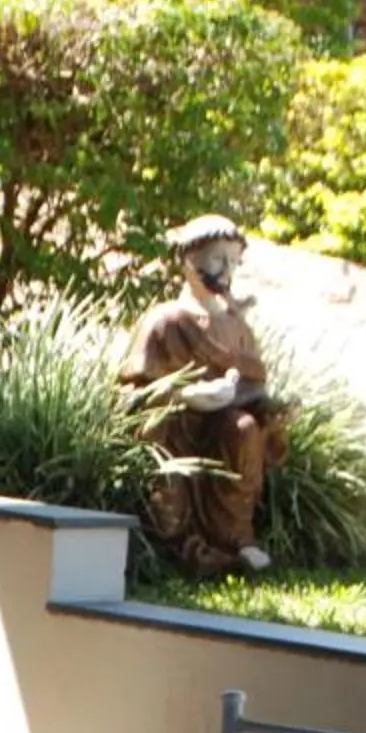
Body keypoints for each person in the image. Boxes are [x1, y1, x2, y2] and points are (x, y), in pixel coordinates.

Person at [121, 213, 286, 576]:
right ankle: (180, 546)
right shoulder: (165, 322)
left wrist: (270, 409)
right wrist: (187, 396)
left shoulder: (236, 327)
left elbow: (252, 384)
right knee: (166, 490)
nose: (226, 269)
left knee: (243, 429)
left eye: (233, 261)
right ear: (188, 260)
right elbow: (132, 395)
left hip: (221, 429)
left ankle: (236, 538)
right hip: (174, 433)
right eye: (216, 259)